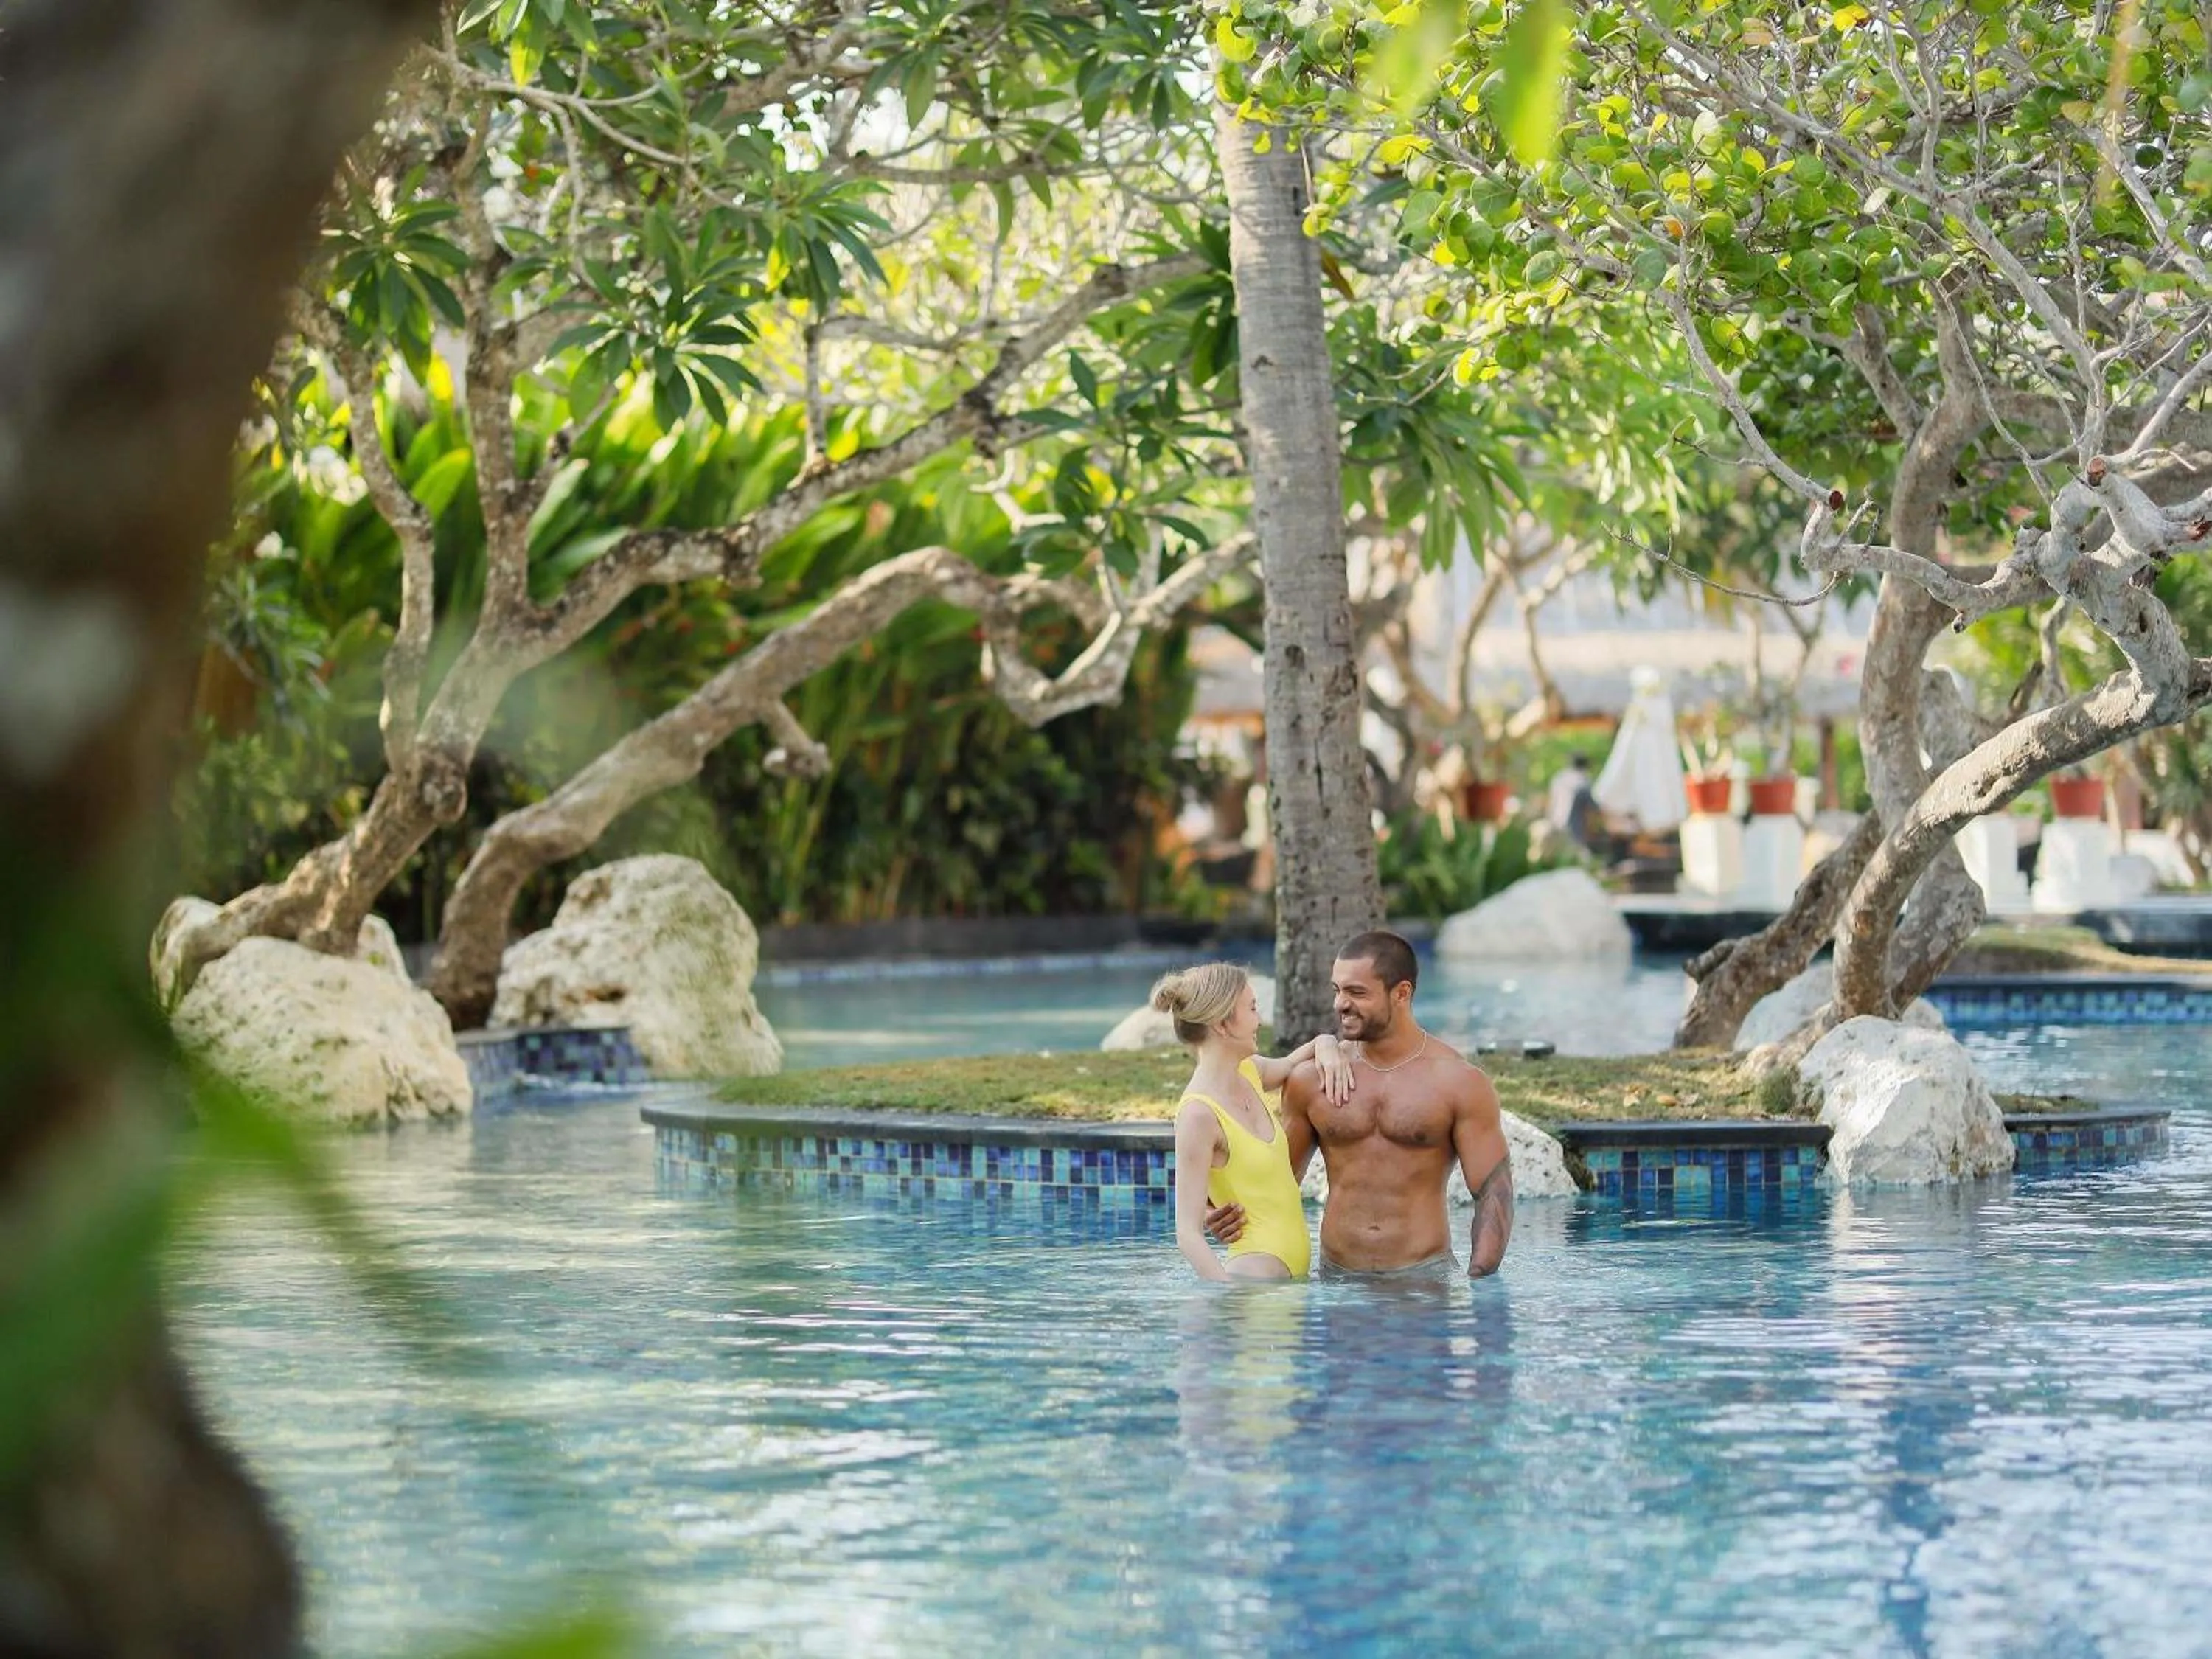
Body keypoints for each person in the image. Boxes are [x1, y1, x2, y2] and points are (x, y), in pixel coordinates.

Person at [1209, 931, 1513, 1280]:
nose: (1340, 1004)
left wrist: (1480, 1287)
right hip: (1335, 1278)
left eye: (1357, 992)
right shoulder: (1311, 1081)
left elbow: (1493, 1191)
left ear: (1402, 993)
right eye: (1337, 990)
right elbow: (1277, 1180)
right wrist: (1212, 1210)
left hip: (1424, 1280)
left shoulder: (1459, 1082)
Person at [1157, 963, 1354, 1282]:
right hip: (1255, 1281)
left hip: (1286, 1281)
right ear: (1223, 1024)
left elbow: (1292, 1063)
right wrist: (1229, 1294)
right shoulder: (1198, 1115)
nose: (1259, 1020)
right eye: (1251, 1008)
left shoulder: (1250, 1072)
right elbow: (1187, 1234)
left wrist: (1327, 1045)